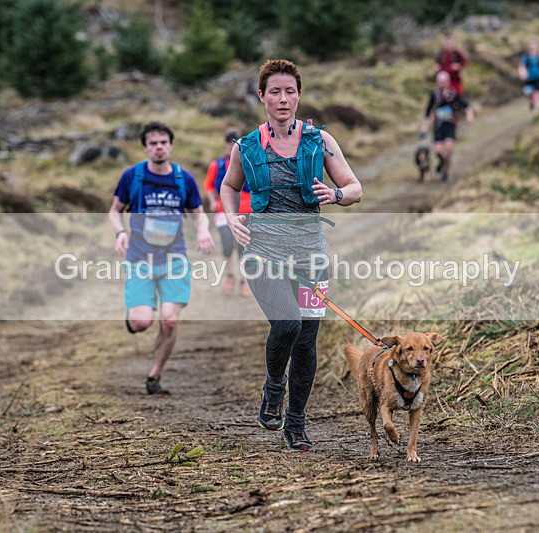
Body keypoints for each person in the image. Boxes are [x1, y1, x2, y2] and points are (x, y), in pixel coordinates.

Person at [219, 59, 363, 452]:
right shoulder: (245, 146)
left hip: (310, 256)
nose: (283, 99)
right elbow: (229, 186)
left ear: (299, 95)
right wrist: (231, 220)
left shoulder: (321, 141)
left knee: (306, 341)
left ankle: (296, 424)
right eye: (275, 92)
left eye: (291, 91)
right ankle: (273, 387)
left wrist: (335, 194)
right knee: (287, 325)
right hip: (262, 252)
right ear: (262, 96)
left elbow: (354, 187)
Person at [108, 121, 215, 396]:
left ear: (170, 145)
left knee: (169, 321)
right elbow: (114, 210)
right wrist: (120, 233)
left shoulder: (184, 179)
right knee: (142, 323)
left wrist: (203, 231)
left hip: (174, 257)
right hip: (140, 258)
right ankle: (134, 317)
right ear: (145, 147)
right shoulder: (132, 176)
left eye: (163, 143)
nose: (158, 148)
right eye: (153, 143)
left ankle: (154, 376)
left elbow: (198, 213)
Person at [204, 130, 252, 297]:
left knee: (243, 248)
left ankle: (243, 281)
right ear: (226, 145)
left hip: (247, 212)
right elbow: (209, 186)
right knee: (226, 245)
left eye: (236, 142)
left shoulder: (251, 162)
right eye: (230, 143)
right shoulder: (217, 165)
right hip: (224, 211)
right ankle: (230, 276)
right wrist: (211, 201)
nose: (233, 146)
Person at [419, 71, 474, 182]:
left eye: (444, 82)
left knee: (449, 147)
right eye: (440, 82)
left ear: (448, 82)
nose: (442, 84)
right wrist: (424, 126)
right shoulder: (435, 95)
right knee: (438, 150)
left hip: (450, 124)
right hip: (438, 125)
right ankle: (442, 162)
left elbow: (466, 105)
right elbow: (428, 111)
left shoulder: (453, 94)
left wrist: (469, 115)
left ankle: (446, 171)